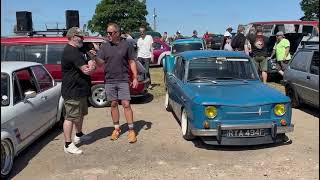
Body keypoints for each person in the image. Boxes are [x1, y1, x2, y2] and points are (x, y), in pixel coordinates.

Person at [90, 23, 138, 143]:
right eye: (107, 33)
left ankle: (131, 130)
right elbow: (100, 63)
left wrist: (135, 77)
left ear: (117, 33)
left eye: (110, 33)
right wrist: (94, 57)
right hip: (109, 80)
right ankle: (116, 129)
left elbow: (132, 61)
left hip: (123, 79)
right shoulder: (105, 46)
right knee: (113, 104)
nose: (108, 35)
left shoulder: (127, 44)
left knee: (126, 104)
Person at [61, 27, 96, 154]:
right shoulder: (71, 51)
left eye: (82, 36)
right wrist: (92, 66)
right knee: (70, 117)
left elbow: (89, 59)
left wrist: (91, 61)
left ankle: (79, 135)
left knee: (80, 114)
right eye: (79, 37)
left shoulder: (79, 49)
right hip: (72, 90)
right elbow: (86, 70)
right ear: (71, 37)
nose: (82, 38)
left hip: (80, 89)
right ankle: (68, 144)